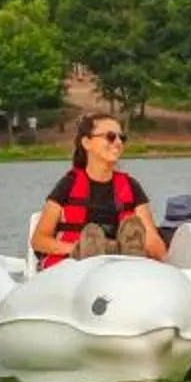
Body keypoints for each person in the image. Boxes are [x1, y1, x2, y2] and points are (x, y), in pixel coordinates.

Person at [29, 112, 166, 269]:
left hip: (120, 266)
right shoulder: (68, 185)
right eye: (110, 136)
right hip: (75, 266)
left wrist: (150, 245)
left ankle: (127, 254)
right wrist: (76, 249)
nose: (118, 142)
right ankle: (95, 251)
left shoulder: (131, 186)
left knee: (133, 230)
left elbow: (156, 246)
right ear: (87, 143)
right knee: (92, 242)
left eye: (122, 138)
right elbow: (39, 240)